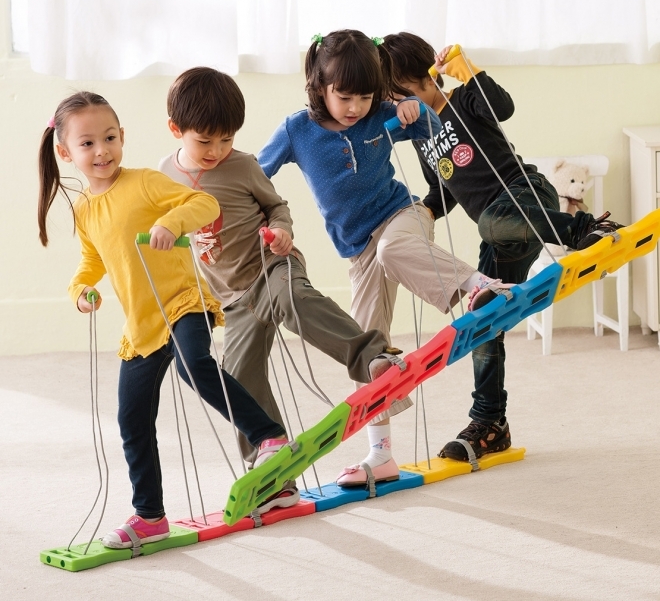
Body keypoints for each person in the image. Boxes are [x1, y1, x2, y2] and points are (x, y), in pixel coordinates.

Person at [258, 29, 512, 487]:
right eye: (345, 97)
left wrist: (416, 110)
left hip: (402, 218)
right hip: (358, 251)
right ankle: (381, 455)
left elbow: (435, 129)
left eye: (365, 97)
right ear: (319, 86)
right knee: (367, 351)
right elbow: (256, 175)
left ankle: (479, 286)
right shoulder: (297, 129)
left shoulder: (381, 114)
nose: (355, 107)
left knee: (394, 249)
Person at [37, 92, 289, 550]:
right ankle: (149, 515)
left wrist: (172, 223)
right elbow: (92, 260)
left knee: (195, 366)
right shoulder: (85, 208)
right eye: (88, 143)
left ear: (122, 136)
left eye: (109, 138)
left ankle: (268, 436)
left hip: (181, 302)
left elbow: (204, 204)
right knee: (132, 418)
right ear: (65, 152)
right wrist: (81, 290)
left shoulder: (146, 182)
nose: (102, 151)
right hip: (142, 324)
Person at [159, 66, 403, 493]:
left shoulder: (242, 166)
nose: (217, 150)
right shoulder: (165, 176)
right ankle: (273, 470)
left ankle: (371, 357)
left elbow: (277, 206)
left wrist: (281, 230)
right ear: (176, 130)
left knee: (295, 300)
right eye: (205, 141)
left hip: (271, 267)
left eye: (226, 140)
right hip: (231, 298)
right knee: (237, 378)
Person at [382, 31, 624, 462]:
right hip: (499, 230)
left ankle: (585, 226)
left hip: (526, 195)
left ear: (425, 79)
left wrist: (469, 71)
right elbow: (444, 191)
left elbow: (503, 106)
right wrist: (420, 215)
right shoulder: (420, 136)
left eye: (398, 95)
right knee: (483, 314)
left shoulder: (463, 100)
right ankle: (490, 422)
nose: (397, 107)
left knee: (492, 221)